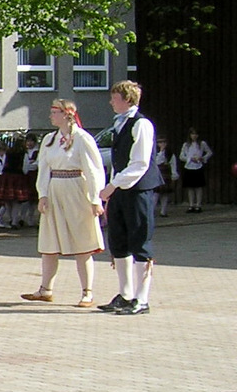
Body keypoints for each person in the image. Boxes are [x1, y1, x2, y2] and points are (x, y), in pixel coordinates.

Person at [23, 99, 105, 307]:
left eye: (54, 112)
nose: (50, 116)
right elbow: (43, 168)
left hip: (77, 190)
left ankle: (87, 292)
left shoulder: (83, 138)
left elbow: (93, 170)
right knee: (49, 243)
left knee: (83, 244)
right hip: (55, 190)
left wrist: (95, 199)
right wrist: (42, 194)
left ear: (67, 114)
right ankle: (45, 289)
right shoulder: (49, 139)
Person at [99, 80, 162, 315]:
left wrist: (113, 185)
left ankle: (141, 298)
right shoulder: (120, 123)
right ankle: (125, 294)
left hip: (137, 191)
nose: (110, 102)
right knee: (119, 242)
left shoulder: (141, 124)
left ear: (127, 99)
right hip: (120, 191)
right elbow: (117, 161)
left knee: (140, 241)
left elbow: (140, 163)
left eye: (114, 98)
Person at [179, 127, 213, 212]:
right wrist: (189, 159)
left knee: (198, 187)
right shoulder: (186, 144)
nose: (194, 136)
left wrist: (202, 158)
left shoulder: (202, 144)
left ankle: (198, 205)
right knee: (190, 187)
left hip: (198, 167)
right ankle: (191, 205)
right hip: (189, 167)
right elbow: (181, 156)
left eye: (196, 134)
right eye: (192, 134)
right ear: (190, 135)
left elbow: (209, 152)